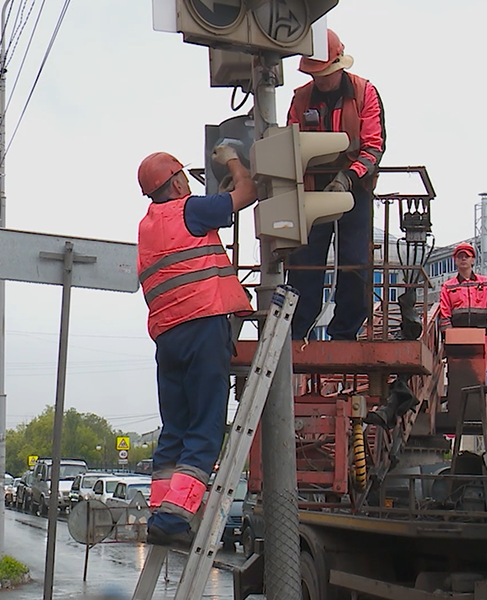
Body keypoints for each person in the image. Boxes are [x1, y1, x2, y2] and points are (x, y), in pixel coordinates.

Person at [136, 146, 257, 546]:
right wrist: (233, 159)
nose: (187, 182)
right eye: (183, 177)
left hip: (167, 336)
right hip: (203, 325)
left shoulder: (147, 227)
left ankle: (161, 510)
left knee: (175, 429)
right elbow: (248, 192)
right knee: (205, 428)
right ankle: (176, 517)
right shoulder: (191, 209)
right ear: (175, 182)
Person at [286, 29, 386, 341]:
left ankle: (344, 333)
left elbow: (373, 147)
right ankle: (297, 334)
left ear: (338, 65)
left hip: (354, 190)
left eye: (323, 73)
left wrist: (348, 177)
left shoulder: (364, 92)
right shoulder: (301, 99)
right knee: (303, 264)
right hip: (312, 190)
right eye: (314, 74)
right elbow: (289, 145)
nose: (320, 80)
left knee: (355, 263)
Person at [439, 243, 487, 337]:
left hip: (481, 335)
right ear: (455, 260)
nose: (463, 259)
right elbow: (444, 313)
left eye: (467, 256)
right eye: (460, 256)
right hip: (456, 336)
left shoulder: (486, 283)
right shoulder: (448, 286)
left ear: (473, 260)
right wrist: (449, 333)